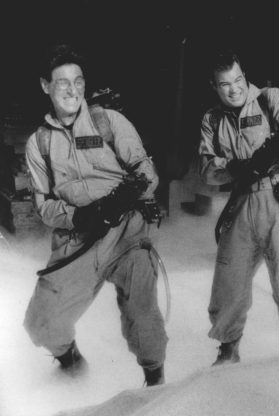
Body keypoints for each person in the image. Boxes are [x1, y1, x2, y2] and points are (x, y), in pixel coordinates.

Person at [23, 44, 167, 386]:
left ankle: (155, 384)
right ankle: (73, 369)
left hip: (126, 233)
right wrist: (81, 217)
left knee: (142, 313)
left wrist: (132, 191)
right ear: (45, 86)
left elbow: (147, 172)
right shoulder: (39, 143)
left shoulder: (109, 121)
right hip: (79, 241)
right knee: (40, 322)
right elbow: (45, 207)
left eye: (78, 81)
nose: (72, 90)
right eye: (62, 82)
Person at [199, 50, 279, 365]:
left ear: (245, 76)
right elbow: (208, 171)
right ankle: (228, 350)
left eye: (238, 80)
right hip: (241, 201)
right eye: (225, 84)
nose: (234, 89)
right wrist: (238, 167)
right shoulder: (213, 119)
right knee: (228, 284)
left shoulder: (271, 99)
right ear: (214, 86)